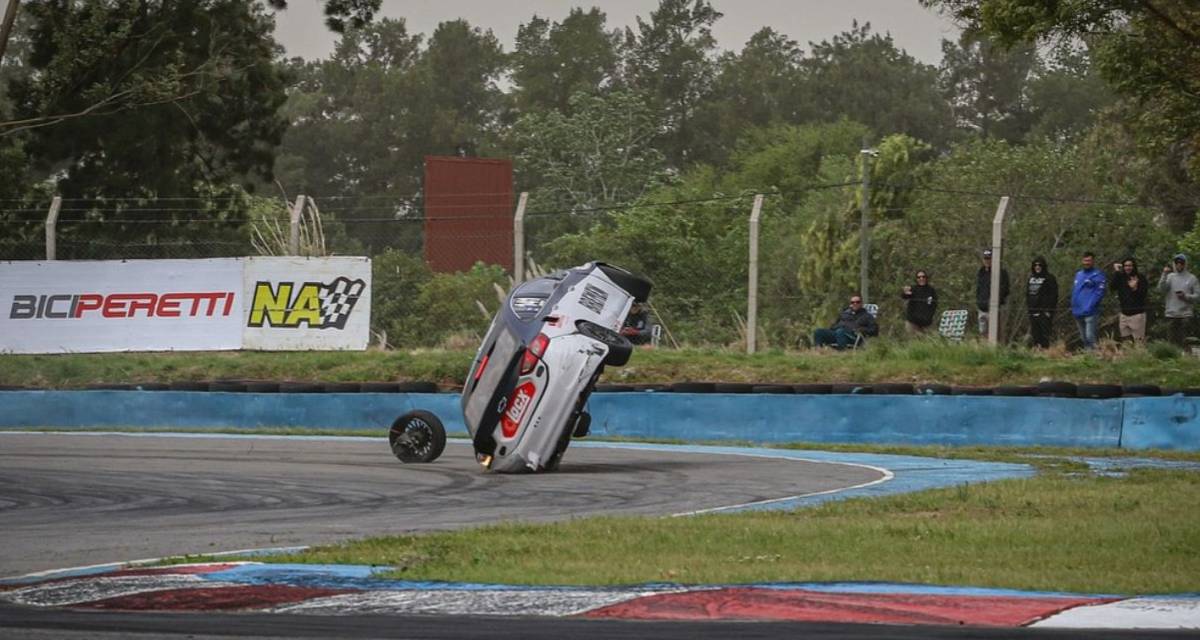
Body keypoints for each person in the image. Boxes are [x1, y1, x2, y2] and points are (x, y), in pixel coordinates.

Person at [1158, 253, 1200, 346]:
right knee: (1171, 343)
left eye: (1181, 263)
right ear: (1174, 264)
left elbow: (1197, 296)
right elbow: (1161, 289)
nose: (1179, 265)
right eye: (1177, 263)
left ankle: (1186, 358)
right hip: (1171, 314)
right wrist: (1164, 274)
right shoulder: (1170, 277)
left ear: (1185, 264)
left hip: (1186, 315)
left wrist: (1185, 296)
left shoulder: (1192, 278)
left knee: (1185, 341)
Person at [1070, 251, 1107, 350]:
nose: (1087, 263)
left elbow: (1100, 293)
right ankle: (1088, 359)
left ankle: (1097, 356)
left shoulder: (1098, 275)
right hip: (1077, 311)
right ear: (1082, 261)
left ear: (1093, 261)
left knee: (1090, 336)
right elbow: (1076, 290)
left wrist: (1090, 306)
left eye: (1089, 260)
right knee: (1083, 338)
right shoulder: (1078, 274)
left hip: (1090, 312)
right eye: (1085, 260)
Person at [813, 295, 878, 350]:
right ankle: (819, 351)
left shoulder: (867, 316)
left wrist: (861, 329)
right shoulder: (845, 313)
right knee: (819, 332)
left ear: (861, 304)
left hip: (852, 336)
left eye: (857, 302)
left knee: (840, 331)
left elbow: (874, 330)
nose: (855, 304)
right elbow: (833, 326)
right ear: (850, 304)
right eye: (853, 302)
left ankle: (842, 353)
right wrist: (835, 327)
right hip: (837, 333)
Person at [1110, 257, 1149, 344]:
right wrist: (1116, 271)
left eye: (1130, 265)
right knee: (1126, 342)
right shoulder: (1121, 277)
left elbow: (1143, 294)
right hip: (1124, 314)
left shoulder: (1140, 278)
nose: (1128, 268)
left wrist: (1134, 288)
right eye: (1125, 266)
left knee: (1139, 342)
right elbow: (1112, 287)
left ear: (1134, 266)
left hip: (1137, 314)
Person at [975, 249, 1010, 337]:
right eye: (985, 259)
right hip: (982, 308)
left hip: (994, 308)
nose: (987, 261)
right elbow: (979, 288)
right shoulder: (981, 272)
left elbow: (1005, 289)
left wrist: (997, 301)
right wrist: (979, 301)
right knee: (983, 333)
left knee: (995, 334)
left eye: (989, 259)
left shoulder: (1001, 272)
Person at [1026, 257, 1058, 349]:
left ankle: (1045, 352)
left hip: (1044, 312)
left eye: (1039, 265)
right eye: (1035, 265)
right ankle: (1037, 351)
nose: (1037, 267)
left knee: (1045, 335)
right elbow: (1027, 294)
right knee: (1035, 334)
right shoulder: (1030, 278)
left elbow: (1054, 295)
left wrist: (1049, 311)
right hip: (1033, 311)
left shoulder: (1049, 278)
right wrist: (1029, 309)